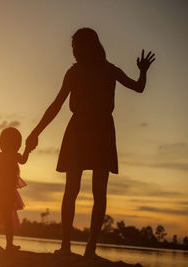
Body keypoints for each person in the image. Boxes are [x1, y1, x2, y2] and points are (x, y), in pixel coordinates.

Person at [26, 28, 155, 257]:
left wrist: (143, 71)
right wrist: (35, 132)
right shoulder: (74, 72)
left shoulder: (109, 70)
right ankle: (66, 246)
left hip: (102, 131)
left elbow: (138, 87)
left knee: (99, 192)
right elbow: (56, 105)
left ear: (90, 45)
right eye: (73, 46)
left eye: (77, 45)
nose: (74, 51)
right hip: (79, 130)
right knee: (71, 189)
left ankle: (90, 249)